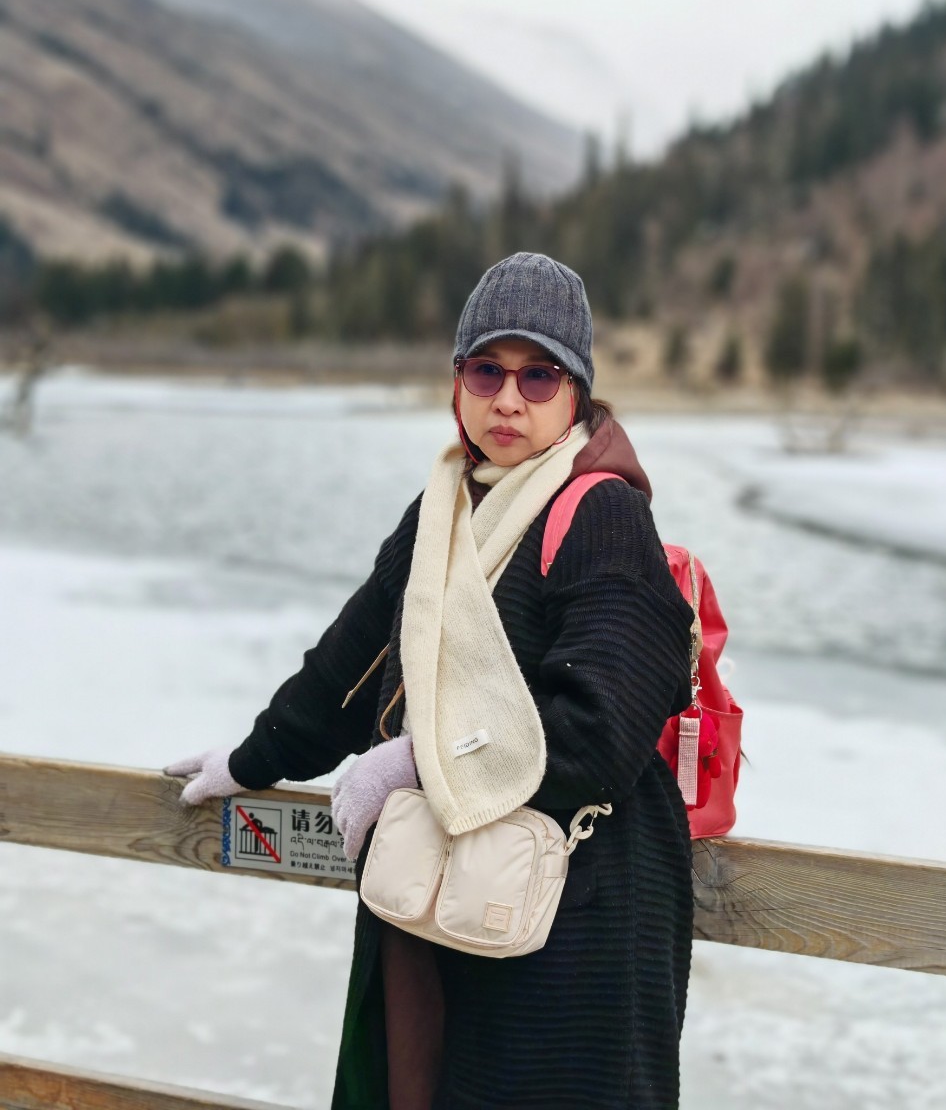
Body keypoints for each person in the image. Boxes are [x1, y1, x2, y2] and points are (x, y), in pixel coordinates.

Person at [166, 252, 695, 1110]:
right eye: (488, 371)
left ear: (577, 393)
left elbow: (602, 733)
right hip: (439, 899)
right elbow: (349, 670)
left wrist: (417, 763)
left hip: (578, 919)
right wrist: (251, 759)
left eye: (539, 375)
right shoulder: (444, 511)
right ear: (458, 382)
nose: (509, 399)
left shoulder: (603, 517)